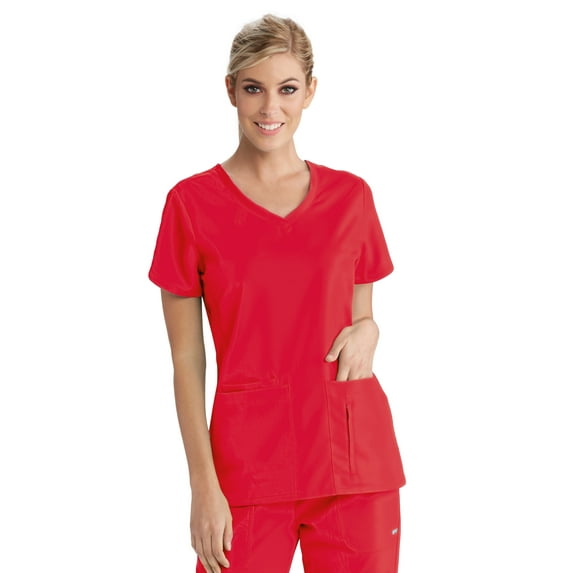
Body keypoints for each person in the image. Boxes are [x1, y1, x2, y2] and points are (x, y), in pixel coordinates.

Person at [148, 13, 406, 573]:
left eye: (287, 89)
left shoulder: (351, 198)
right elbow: (187, 360)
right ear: (230, 90)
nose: (270, 108)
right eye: (253, 89)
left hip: (351, 462)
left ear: (310, 91)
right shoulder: (190, 205)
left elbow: (357, 323)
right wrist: (202, 486)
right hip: (248, 467)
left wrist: (372, 328)